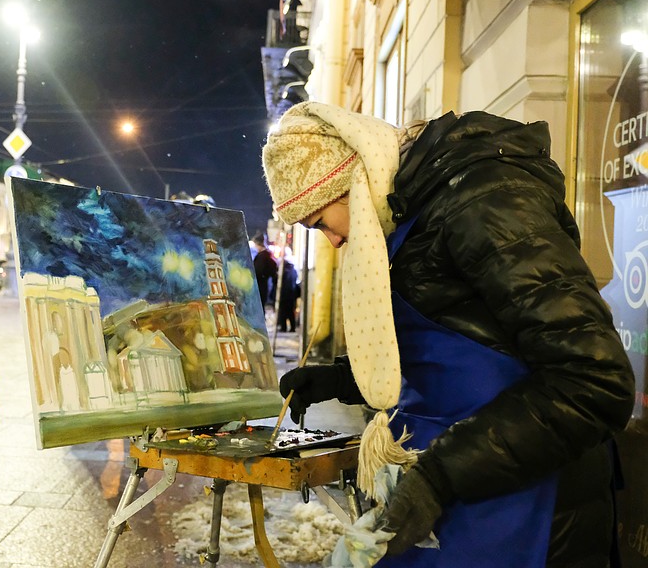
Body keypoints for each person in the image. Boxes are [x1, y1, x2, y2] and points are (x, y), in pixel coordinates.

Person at [262, 101, 635, 566]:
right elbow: (458, 345)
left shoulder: (484, 202)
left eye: (320, 222)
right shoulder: (410, 214)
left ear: (352, 183)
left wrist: (441, 476)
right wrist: (341, 380)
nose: (333, 241)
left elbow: (593, 382)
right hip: (456, 494)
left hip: (525, 508)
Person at [252, 232, 278, 309]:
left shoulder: (262, 257)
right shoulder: (266, 255)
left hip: (260, 286)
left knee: (259, 307)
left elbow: (258, 271)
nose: (255, 247)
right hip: (264, 285)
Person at [276, 254, 299, 332]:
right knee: (290, 312)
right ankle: (292, 327)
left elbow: (278, 282)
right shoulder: (293, 270)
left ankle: (284, 327)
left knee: (283, 312)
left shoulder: (283, 271)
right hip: (292, 294)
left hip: (284, 294)